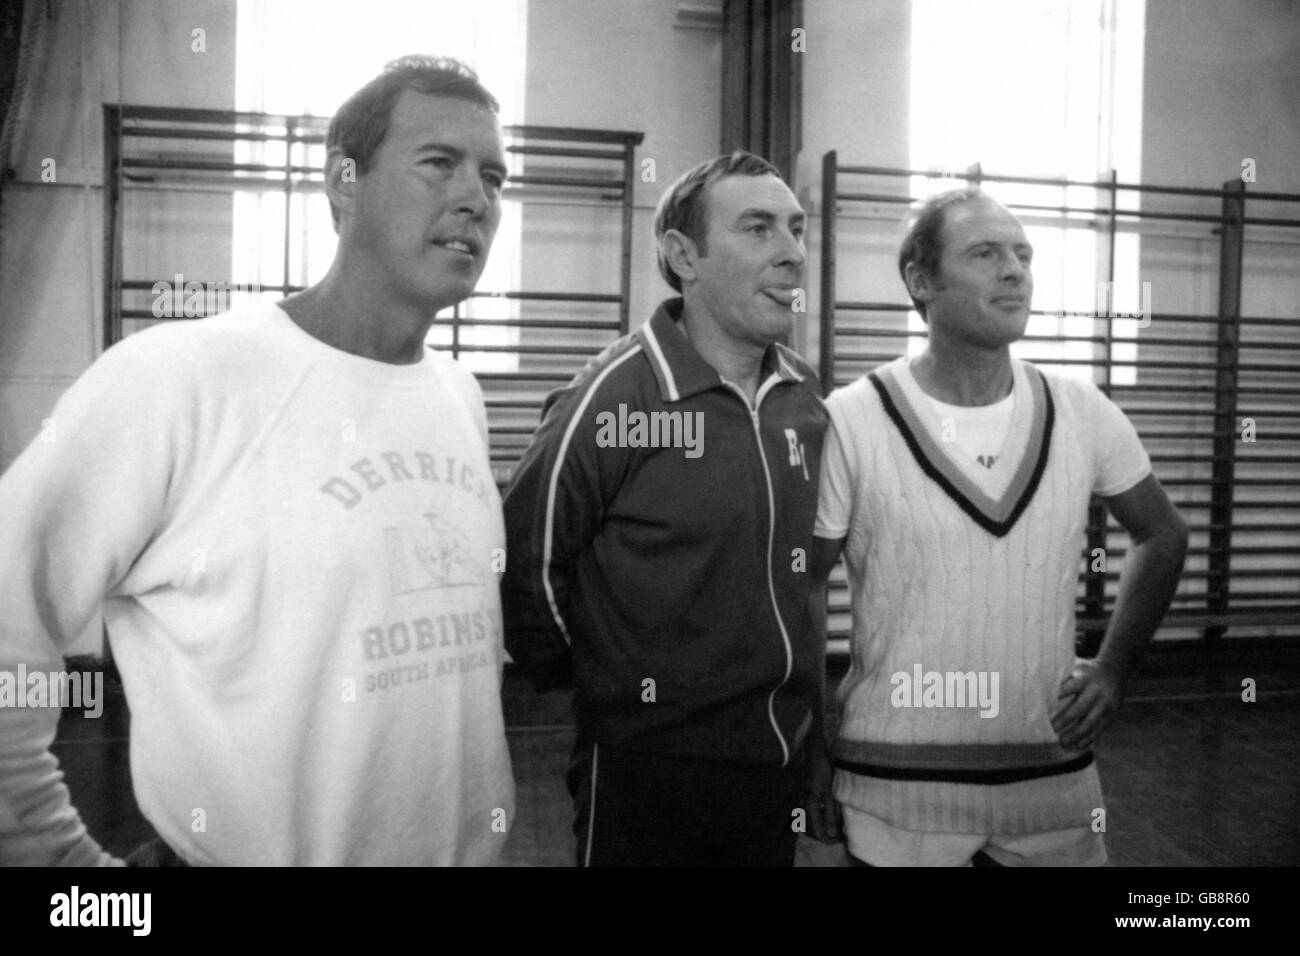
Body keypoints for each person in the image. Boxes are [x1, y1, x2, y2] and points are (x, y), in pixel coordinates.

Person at [0, 55, 515, 865]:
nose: (475, 198)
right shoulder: (178, 379)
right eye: (438, 164)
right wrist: (63, 869)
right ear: (343, 183)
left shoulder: (459, 395)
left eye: (493, 176)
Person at [808, 188, 1188, 866]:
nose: (1015, 270)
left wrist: (1113, 668)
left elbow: (1164, 534)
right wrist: (810, 758)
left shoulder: (1080, 408)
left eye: (1023, 254)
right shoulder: (853, 417)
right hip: (894, 788)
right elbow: (800, 587)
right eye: (985, 254)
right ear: (920, 282)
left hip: (1053, 781)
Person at [501, 152, 829, 866]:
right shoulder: (615, 396)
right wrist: (604, 689)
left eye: (796, 230)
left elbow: (805, 582)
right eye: (758, 229)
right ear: (684, 256)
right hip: (646, 770)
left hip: (778, 761)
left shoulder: (803, 397)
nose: (792, 254)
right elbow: (526, 564)